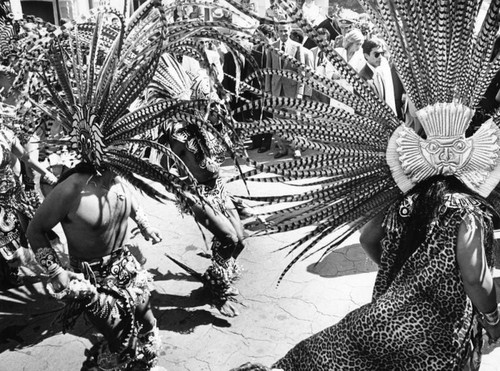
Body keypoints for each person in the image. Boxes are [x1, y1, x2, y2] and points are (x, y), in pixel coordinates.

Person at [232, 175, 500, 370]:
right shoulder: (466, 212)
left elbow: (367, 239)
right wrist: (493, 321)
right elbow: (475, 279)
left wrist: (403, 282)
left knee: (314, 360)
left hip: (375, 321)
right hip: (436, 339)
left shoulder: (405, 201)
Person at [27, 163, 163, 369]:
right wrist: (55, 271)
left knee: (148, 326)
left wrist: (145, 225)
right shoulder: (72, 187)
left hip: (127, 268)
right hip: (94, 282)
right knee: (123, 343)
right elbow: (34, 231)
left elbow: (129, 199)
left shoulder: (118, 178)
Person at [266, 22, 305, 159]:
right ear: (277, 31)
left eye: (286, 31)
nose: (283, 33)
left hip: (292, 92)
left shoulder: (297, 47)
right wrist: (268, 92)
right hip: (277, 91)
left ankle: (296, 149)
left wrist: (300, 92)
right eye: (281, 31)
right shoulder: (271, 48)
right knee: (278, 122)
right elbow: (268, 71)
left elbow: (302, 73)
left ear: (289, 31)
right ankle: (282, 148)